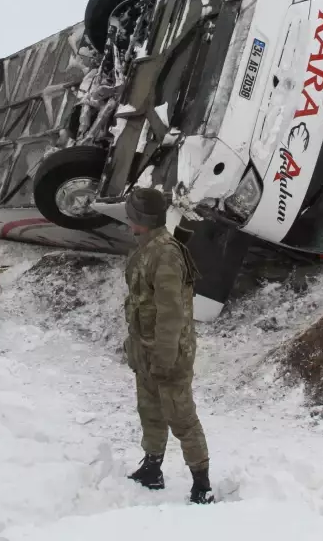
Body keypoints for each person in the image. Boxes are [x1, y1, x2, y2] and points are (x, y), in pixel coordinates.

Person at [122, 187, 213, 505]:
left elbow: (172, 314)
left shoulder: (166, 254)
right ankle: (152, 468)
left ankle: (202, 483)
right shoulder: (148, 247)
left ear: (139, 220)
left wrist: (163, 359)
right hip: (146, 349)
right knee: (150, 410)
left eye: (131, 214)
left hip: (168, 352)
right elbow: (141, 302)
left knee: (181, 416)